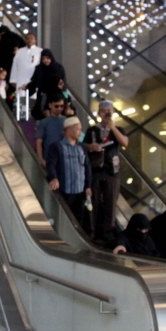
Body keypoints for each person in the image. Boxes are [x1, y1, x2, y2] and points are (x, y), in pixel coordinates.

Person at [84, 100, 129, 242]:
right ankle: (92, 231)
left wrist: (113, 128)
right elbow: (82, 146)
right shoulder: (92, 130)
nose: (107, 114)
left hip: (111, 172)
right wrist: (91, 147)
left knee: (110, 203)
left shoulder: (118, 130)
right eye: (104, 111)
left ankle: (108, 234)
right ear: (99, 113)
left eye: (109, 111)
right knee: (93, 202)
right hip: (95, 171)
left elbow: (125, 143)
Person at [46, 116, 92, 231]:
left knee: (78, 220)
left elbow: (87, 167)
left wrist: (88, 186)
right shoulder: (57, 146)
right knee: (62, 219)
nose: (80, 132)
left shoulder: (81, 147)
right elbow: (50, 164)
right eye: (78, 129)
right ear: (69, 129)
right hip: (64, 192)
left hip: (80, 192)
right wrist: (54, 178)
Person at [26, 49, 66, 118]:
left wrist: (64, 94)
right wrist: (26, 88)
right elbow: (35, 82)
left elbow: (62, 82)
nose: (45, 60)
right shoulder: (39, 69)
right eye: (43, 58)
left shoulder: (58, 68)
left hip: (55, 96)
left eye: (47, 58)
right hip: (43, 95)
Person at [35, 94, 67, 166]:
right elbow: (38, 142)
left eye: (61, 106)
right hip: (50, 159)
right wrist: (41, 159)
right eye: (56, 106)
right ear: (50, 105)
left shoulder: (66, 121)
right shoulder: (44, 122)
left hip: (64, 158)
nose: (59, 108)